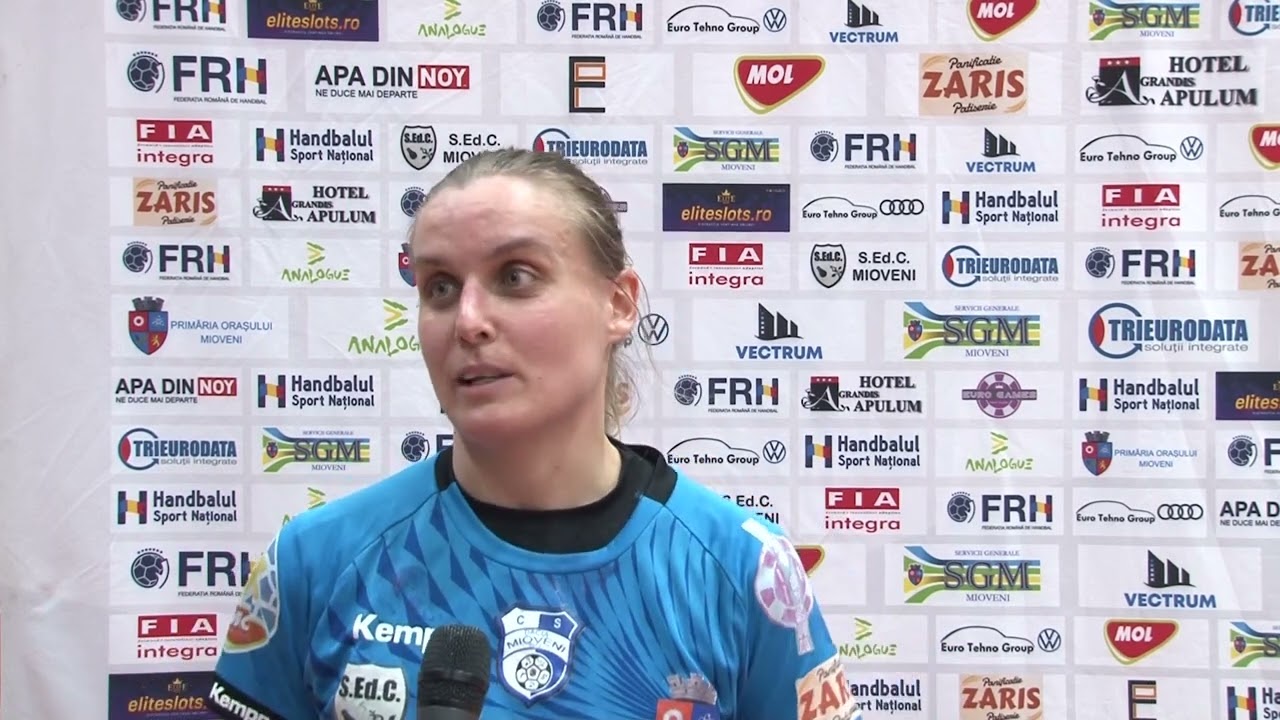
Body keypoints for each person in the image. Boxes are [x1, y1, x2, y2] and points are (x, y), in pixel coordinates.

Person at [209, 148, 860, 720]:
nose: (468, 321)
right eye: (440, 286)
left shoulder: (743, 570)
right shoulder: (316, 560)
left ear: (618, 304)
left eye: (515, 277)